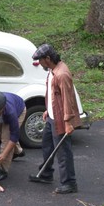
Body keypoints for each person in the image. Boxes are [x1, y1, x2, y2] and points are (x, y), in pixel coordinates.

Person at [28, 44, 82, 194]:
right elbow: (53, 94)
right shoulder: (52, 70)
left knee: (63, 152)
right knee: (47, 146)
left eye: (40, 60)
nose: (39, 64)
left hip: (61, 120)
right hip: (52, 116)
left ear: (48, 58)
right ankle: (45, 174)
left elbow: (68, 99)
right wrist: (48, 109)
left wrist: (68, 122)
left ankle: (70, 183)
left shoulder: (62, 74)